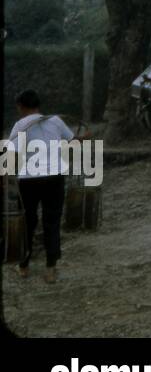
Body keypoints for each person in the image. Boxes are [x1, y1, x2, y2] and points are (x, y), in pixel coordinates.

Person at [3, 89, 86, 282]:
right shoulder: (55, 121)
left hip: (29, 181)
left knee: (28, 223)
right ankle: (50, 269)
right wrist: (85, 136)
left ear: (21, 107)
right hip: (55, 178)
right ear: (38, 105)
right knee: (52, 222)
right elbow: (73, 142)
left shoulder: (20, 125)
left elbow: (9, 152)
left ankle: (23, 266)